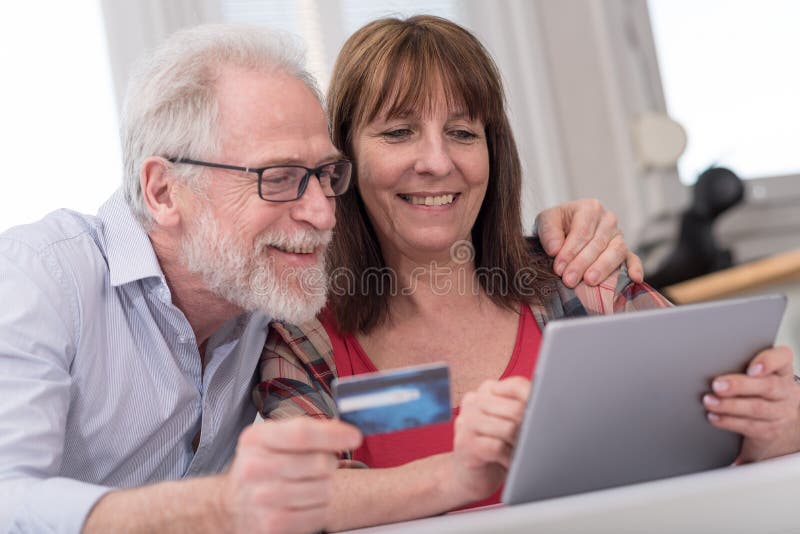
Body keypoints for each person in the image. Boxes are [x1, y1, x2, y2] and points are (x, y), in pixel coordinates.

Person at [0, 24, 637, 534]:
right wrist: (218, 508)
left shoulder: (265, 293)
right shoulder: (36, 281)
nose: (319, 210)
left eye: (323, 176)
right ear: (164, 191)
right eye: (276, 177)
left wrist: (571, 229)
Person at [255, 15, 800, 531]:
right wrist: (458, 475)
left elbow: (717, 428)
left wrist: (772, 429)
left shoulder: (578, 277)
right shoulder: (303, 332)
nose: (437, 161)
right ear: (342, 158)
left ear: (494, 152)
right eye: (398, 132)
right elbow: (305, 498)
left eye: (464, 133)